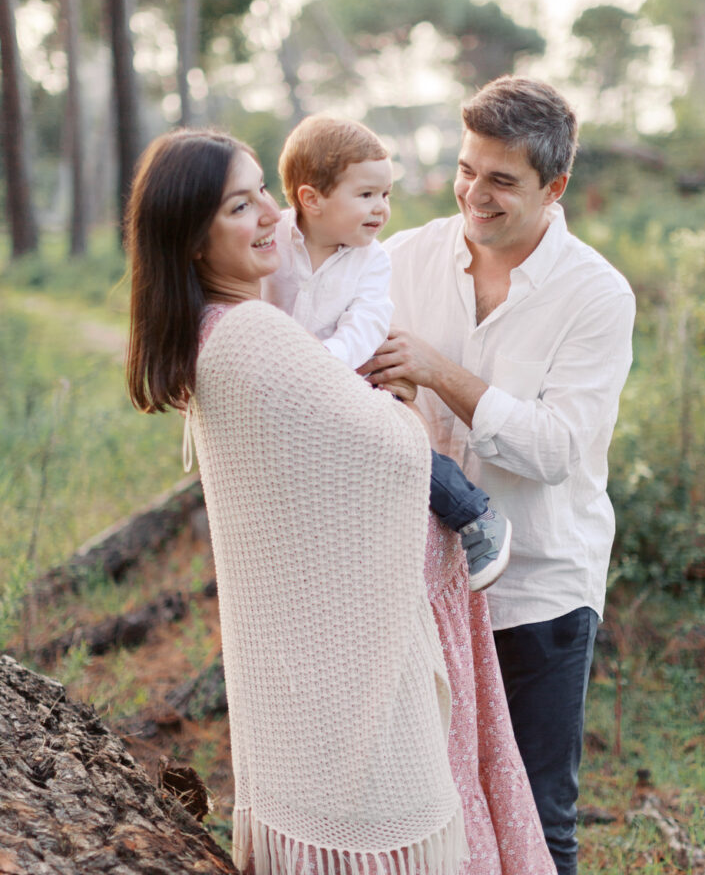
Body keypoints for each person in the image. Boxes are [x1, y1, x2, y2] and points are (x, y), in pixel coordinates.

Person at [124, 129, 468, 875]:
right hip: (335, 678)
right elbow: (397, 452)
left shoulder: (220, 330)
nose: (274, 216)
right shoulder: (252, 333)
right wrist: (402, 404)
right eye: (240, 206)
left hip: (304, 661)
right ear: (191, 239)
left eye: (264, 196)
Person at [362, 76, 636, 875]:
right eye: (464, 169)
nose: (472, 194)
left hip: (540, 587)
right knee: (431, 804)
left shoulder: (596, 295)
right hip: (417, 582)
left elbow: (554, 451)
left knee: (539, 817)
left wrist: (439, 373)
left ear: (554, 188)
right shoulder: (402, 259)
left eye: (501, 180)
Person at [261, 114, 512, 592]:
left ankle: (476, 516)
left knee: (398, 446)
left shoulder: (372, 259)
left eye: (386, 195)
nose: (381, 209)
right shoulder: (273, 238)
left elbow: (368, 323)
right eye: (366, 195)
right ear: (311, 199)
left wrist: (326, 362)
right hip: (287, 388)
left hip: (352, 378)